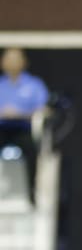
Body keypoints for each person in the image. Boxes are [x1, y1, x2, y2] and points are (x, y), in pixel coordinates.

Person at [0, 47, 50, 204]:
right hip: (1, 128)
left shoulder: (34, 84)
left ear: (24, 62)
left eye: (16, 58)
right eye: (8, 58)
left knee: (32, 150)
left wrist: (20, 114)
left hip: (24, 129)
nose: (12, 62)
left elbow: (44, 110)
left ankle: (32, 193)